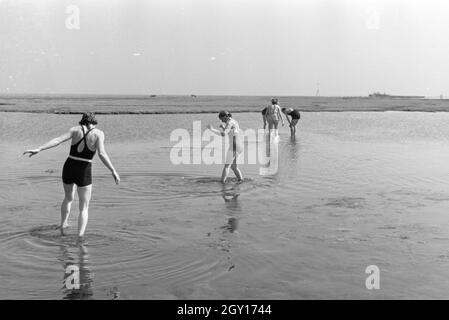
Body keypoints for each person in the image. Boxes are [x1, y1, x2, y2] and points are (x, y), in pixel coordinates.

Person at [23, 112, 120, 242]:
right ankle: (80, 237)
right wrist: (113, 170)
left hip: (69, 166)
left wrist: (39, 149)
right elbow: (102, 154)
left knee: (68, 198)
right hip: (84, 169)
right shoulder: (99, 134)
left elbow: (57, 140)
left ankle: (63, 224)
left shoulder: (75, 130)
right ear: (94, 122)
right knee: (84, 207)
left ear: (82, 121)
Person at [207, 111, 244, 183]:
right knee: (233, 166)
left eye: (221, 119)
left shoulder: (229, 123)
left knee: (227, 166)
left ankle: (222, 183)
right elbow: (231, 132)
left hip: (234, 146)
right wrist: (224, 128)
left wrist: (212, 129)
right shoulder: (234, 121)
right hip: (240, 146)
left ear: (225, 116)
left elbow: (224, 134)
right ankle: (241, 180)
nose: (221, 120)